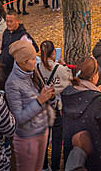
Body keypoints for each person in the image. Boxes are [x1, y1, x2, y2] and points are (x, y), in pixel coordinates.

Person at [61, 56, 101, 171]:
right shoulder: (96, 100)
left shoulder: (67, 92)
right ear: (93, 76)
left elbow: (83, 97)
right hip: (94, 152)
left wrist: (96, 92)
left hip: (73, 150)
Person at [6, 40, 55, 171]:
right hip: (27, 138)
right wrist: (39, 101)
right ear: (22, 62)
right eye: (32, 59)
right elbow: (19, 118)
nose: (36, 61)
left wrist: (49, 95)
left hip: (42, 131)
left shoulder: (33, 72)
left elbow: (40, 98)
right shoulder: (12, 83)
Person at [37, 40, 72, 171]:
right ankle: (56, 166)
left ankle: (44, 165)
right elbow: (68, 83)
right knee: (57, 139)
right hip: (57, 107)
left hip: (43, 107)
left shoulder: (37, 68)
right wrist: (65, 66)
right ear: (53, 53)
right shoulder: (60, 69)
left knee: (44, 138)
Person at [0, 10, 38, 89]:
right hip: (4, 70)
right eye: (7, 21)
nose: (8, 24)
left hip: (15, 73)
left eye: (11, 21)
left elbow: (34, 49)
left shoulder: (23, 36)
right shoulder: (6, 32)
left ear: (17, 21)